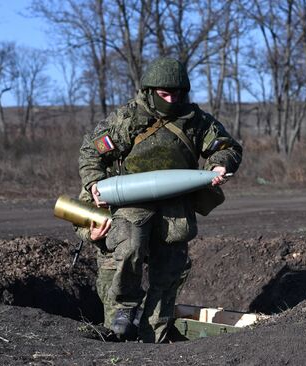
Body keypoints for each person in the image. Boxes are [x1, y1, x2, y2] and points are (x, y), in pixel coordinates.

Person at [76, 57, 242, 343]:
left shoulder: (196, 121)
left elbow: (226, 147)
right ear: (150, 91)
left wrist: (220, 163)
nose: (171, 99)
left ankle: (155, 336)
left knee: (169, 270)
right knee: (129, 247)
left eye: (177, 93)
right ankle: (122, 318)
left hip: (175, 208)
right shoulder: (127, 119)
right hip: (129, 201)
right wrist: (93, 183)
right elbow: (92, 152)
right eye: (164, 94)